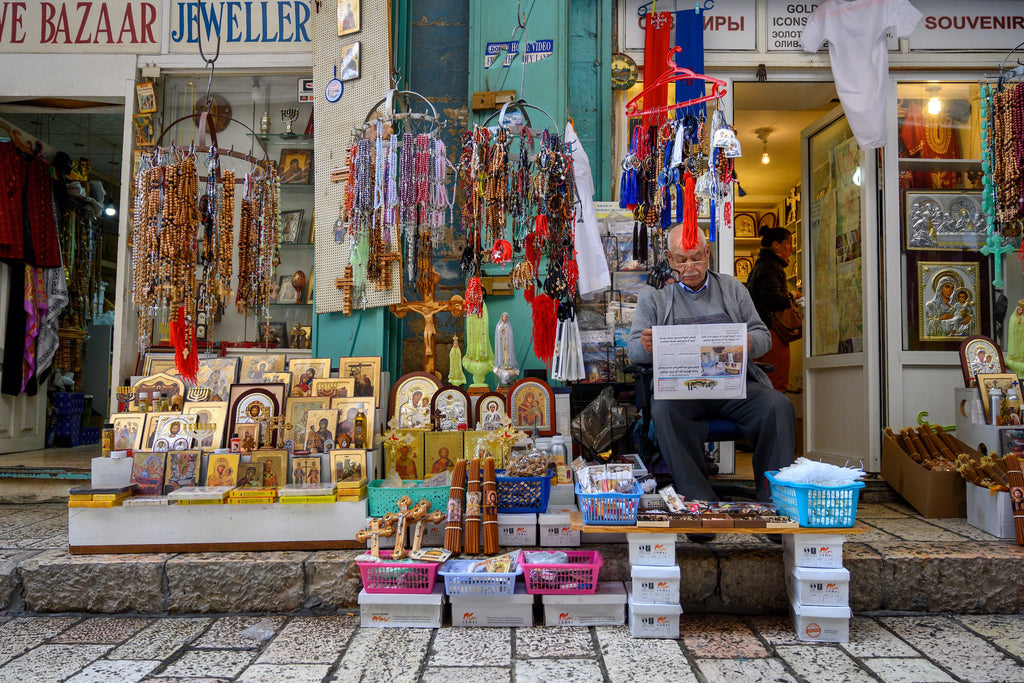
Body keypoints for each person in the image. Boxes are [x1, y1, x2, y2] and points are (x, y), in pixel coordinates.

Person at [627, 224, 796, 515]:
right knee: (664, 409)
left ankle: (775, 505)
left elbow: (764, 336)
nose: (690, 266)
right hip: (682, 392)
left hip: (732, 388)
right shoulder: (653, 296)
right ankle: (700, 504)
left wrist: (747, 341)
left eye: (697, 257)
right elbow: (633, 351)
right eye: (681, 259)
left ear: (708, 253)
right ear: (669, 258)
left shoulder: (732, 288)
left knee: (778, 406)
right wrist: (646, 346)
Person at [747, 226, 801, 392]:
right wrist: (792, 295)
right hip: (772, 331)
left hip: (759, 331)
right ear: (776, 245)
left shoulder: (761, 264)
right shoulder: (771, 266)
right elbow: (771, 298)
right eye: (789, 243)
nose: (791, 249)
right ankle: (777, 417)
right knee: (777, 383)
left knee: (760, 384)